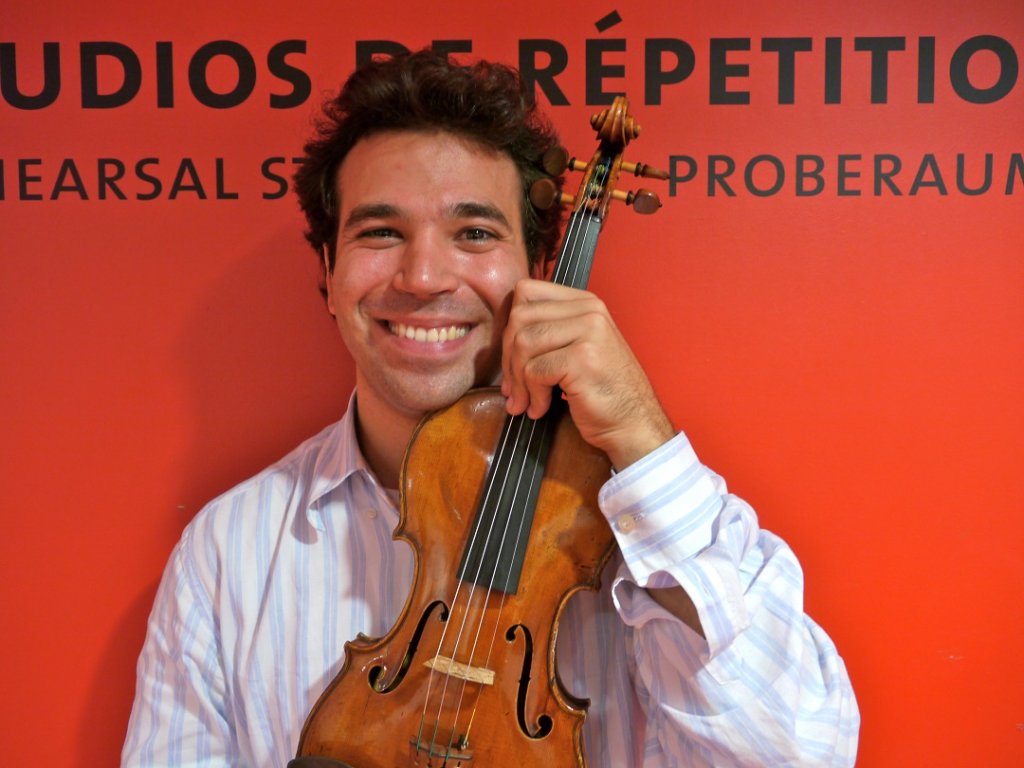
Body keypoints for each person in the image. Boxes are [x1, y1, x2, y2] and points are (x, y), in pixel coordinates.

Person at [122, 49, 859, 767]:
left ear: (541, 271)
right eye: (381, 232)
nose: (422, 275)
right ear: (329, 269)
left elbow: (803, 754)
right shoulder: (228, 551)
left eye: (474, 233)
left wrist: (643, 441)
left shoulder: (639, 514)